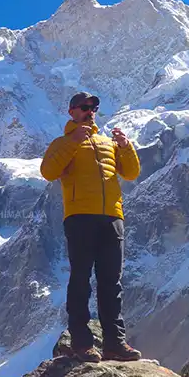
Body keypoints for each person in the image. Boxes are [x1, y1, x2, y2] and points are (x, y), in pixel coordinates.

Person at [39, 91, 143, 363]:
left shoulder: (107, 142)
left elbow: (131, 173)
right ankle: (82, 343)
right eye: (85, 107)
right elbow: (48, 171)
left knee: (111, 282)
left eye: (94, 107)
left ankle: (115, 344)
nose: (90, 111)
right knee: (81, 280)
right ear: (71, 111)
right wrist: (73, 142)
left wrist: (125, 146)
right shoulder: (62, 142)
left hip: (112, 216)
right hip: (80, 216)